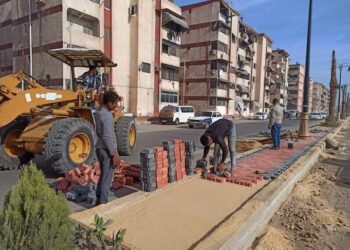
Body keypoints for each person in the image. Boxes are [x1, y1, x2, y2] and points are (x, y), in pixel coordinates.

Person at [95, 90, 121, 205]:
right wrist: (114, 154)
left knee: (103, 175)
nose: (117, 106)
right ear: (109, 103)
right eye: (115, 103)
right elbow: (107, 137)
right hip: (106, 150)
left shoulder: (98, 112)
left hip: (99, 148)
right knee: (107, 177)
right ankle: (103, 203)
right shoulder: (107, 115)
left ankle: (98, 198)